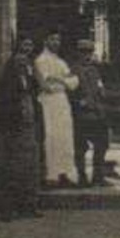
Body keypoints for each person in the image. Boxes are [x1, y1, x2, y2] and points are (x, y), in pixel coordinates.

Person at [0, 31, 42, 220]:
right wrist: (6, 124)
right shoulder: (7, 80)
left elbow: (34, 97)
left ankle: (28, 206)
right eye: (20, 58)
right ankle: (7, 209)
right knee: (10, 169)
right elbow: (0, 103)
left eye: (26, 58)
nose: (23, 60)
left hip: (28, 128)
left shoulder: (29, 79)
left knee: (29, 169)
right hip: (13, 129)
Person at [34, 31, 80, 186]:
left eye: (58, 40)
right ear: (45, 40)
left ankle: (65, 172)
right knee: (51, 136)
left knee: (65, 136)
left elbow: (74, 83)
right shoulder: (40, 60)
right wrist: (64, 81)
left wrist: (59, 80)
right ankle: (51, 174)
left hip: (62, 100)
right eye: (52, 39)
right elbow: (46, 86)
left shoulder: (61, 61)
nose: (56, 42)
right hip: (49, 101)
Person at [69, 37, 111, 187]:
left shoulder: (95, 70)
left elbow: (100, 89)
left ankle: (98, 177)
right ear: (78, 53)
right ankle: (82, 177)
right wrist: (78, 102)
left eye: (89, 52)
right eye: (83, 52)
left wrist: (102, 96)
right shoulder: (73, 70)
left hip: (98, 113)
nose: (87, 55)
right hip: (82, 114)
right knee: (80, 147)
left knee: (102, 144)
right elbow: (69, 91)